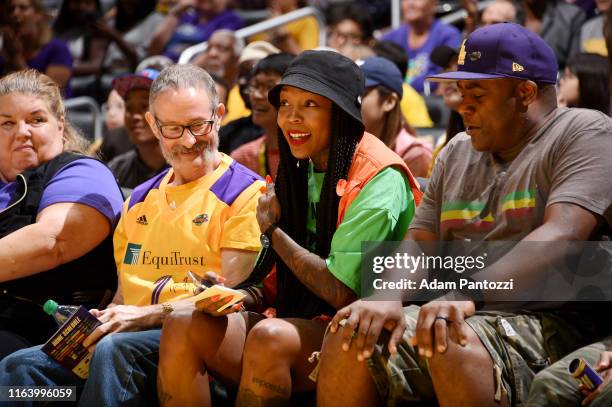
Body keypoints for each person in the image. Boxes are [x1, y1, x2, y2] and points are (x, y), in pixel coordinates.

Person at [316, 22, 612, 407]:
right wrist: (386, 294)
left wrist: (468, 291)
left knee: (447, 338)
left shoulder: (584, 132)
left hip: (554, 316)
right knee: (351, 329)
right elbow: (420, 243)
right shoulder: (457, 150)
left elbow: (562, 233)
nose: (461, 104)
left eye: (477, 92)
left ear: (524, 93)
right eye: (460, 91)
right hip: (463, 310)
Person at [156, 50, 423, 406]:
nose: (292, 118)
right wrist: (237, 294)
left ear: (341, 113)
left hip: (363, 327)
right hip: (294, 319)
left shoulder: (379, 177)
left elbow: (342, 291)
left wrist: (273, 231)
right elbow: (276, 282)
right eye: (285, 103)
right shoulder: (301, 166)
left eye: (310, 104)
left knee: (270, 338)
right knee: (183, 322)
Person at [0, 64, 264, 406]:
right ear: (153, 125)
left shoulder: (245, 193)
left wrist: (139, 317)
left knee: (113, 350)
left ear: (220, 116)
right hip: (126, 334)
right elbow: (124, 297)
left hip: (196, 339)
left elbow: (230, 299)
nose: (187, 140)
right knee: (21, 370)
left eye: (199, 125)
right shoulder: (138, 199)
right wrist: (104, 317)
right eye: (172, 128)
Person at [0, 70, 123, 360]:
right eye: (7, 123)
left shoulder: (82, 172)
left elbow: (53, 241)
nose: (22, 131)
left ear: (60, 125)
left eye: (36, 120)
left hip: (52, 338)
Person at [359, 57, 433, 178]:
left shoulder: (415, 155)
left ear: (389, 101)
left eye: (362, 94)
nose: (353, 101)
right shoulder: (349, 145)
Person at [230, 53, 294, 180]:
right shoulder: (243, 158)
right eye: (255, 86)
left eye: (269, 87)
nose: (256, 96)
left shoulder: (315, 156)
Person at [382, 0, 462, 95]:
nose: (410, 3)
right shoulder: (389, 38)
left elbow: (444, 79)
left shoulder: (448, 35)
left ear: (433, 4)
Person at [107, 69, 168, 189]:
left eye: (144, 106)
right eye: (129, 107)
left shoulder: (187, 167)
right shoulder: (116, 170)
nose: (135, 116)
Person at [0, 0, 72, 93]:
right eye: (11, 9)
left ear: (38, 14)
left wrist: (15, 57)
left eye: (23, 8)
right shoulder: (6, 49)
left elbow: (47, 93)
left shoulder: (58, 49)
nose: (15, 13)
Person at [149, 0, 243, 61]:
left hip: (186, 72)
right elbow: (155, 46)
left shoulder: (230, 19)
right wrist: (177, 12)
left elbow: (213, 55)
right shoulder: (188, 15)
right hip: (161, 63)